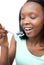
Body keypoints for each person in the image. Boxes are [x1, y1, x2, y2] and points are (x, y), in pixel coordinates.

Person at [0, 0, 44, 65]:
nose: (25, 22)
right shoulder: (17, 37)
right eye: (22, 18)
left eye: (32, 17)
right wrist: (4, 46)